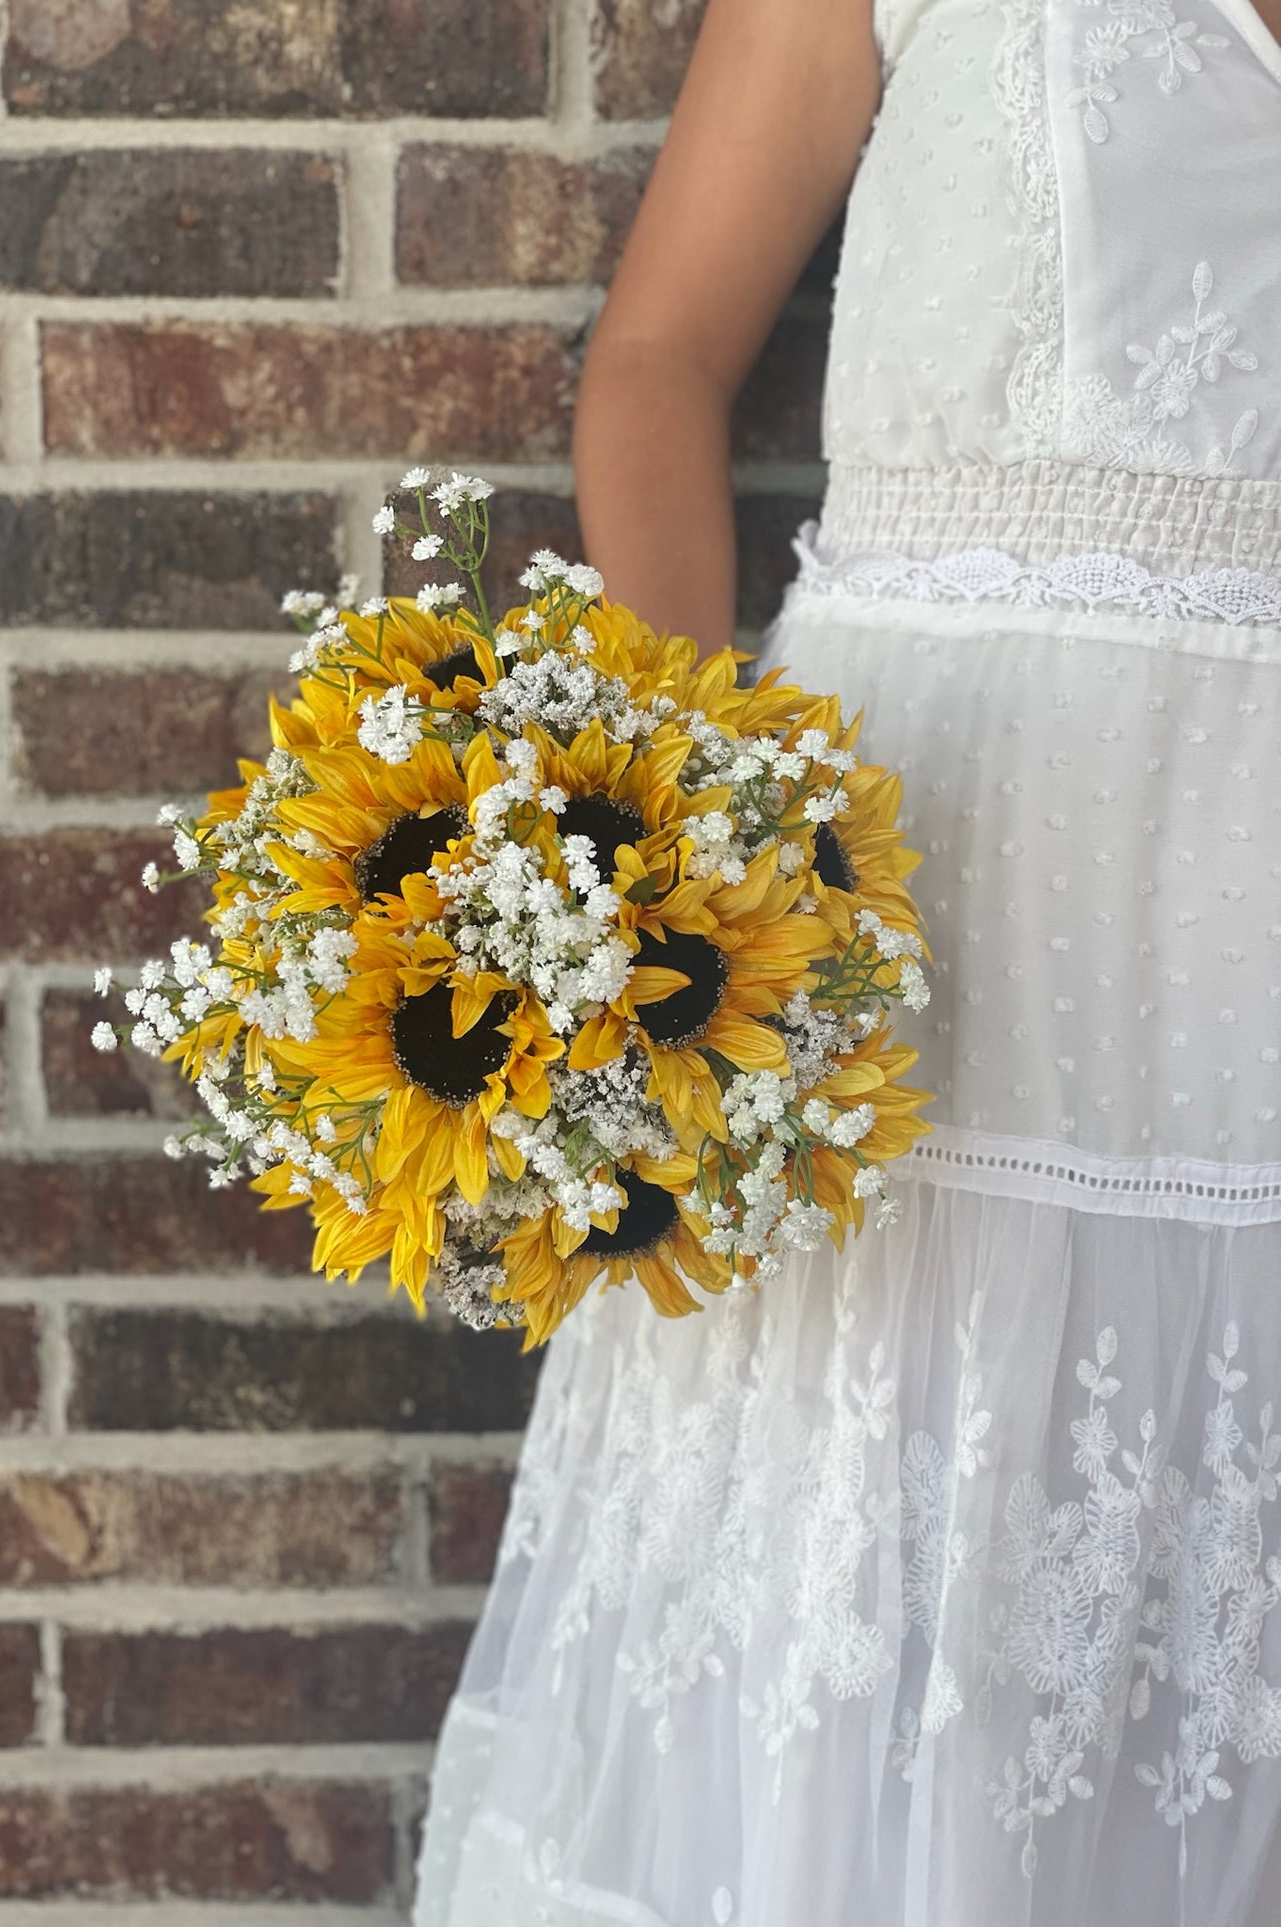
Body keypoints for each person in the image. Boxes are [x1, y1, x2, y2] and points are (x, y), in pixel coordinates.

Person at [413, 0, 1281, 1920]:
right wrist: (676, 861)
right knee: (853, 1686)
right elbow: (656, 361)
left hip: (1244, 976)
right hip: (905, 942)